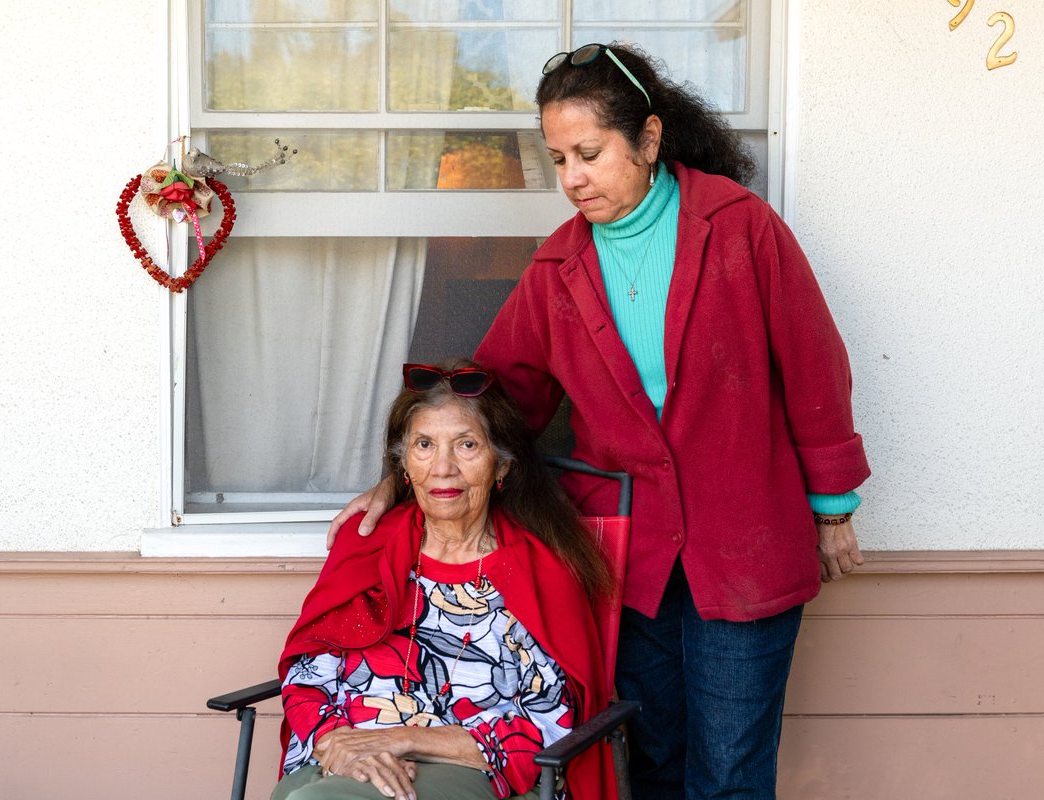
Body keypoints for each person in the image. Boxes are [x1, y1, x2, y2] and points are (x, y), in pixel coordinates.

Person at [328, 44, 871, 800]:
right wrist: (402, 476)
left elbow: (814, 366)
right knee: (648, 761)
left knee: (730, 774)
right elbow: (496, 399)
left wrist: (834, 506)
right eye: (557, 159)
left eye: (589, 153)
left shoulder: (740, 228)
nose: (571, 178)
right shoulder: (558, 268)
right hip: (629, 555)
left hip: (745, 541)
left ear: (648, 141)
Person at [275, 359, 616, 800]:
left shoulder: (539, 570)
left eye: (467, 445)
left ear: (502, 466)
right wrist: (336, 743)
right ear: (404, 465)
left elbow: (549, 724)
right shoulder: (365, 547)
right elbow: (307, 674)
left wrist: (402, 739)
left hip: (470, 767)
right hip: (343, 756)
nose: (443, 468)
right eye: (424, 445)